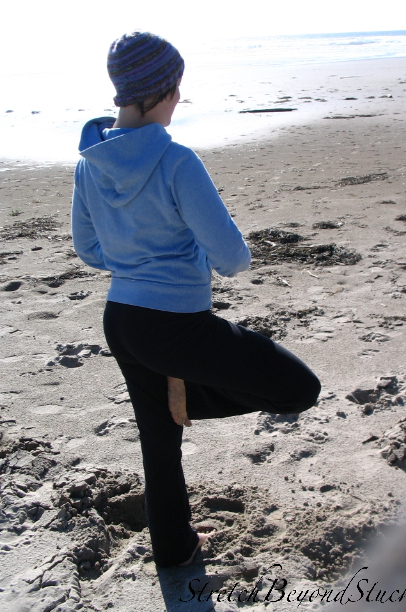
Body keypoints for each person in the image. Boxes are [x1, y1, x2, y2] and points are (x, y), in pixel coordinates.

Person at [71, 31, 321, 568]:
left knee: (158, 445)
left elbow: (88, 249)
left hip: (121, 320)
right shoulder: (177, 160)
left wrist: (136, 263)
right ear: (159, 90)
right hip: (175, 326)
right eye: (177, 88)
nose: (179, 98)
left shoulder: (90, 162)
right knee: (298, 387)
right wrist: (185, 267)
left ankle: (174, 549)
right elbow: (232, 257)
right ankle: (183, 400)